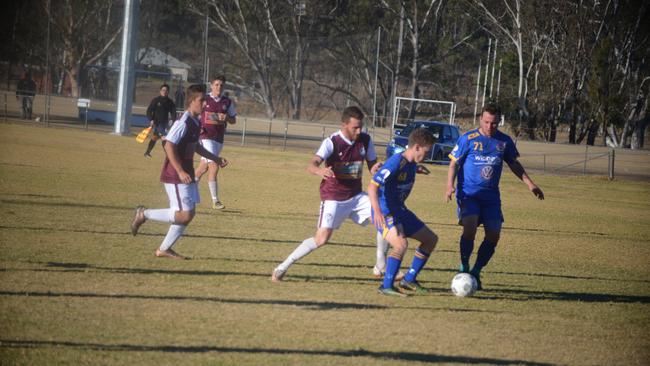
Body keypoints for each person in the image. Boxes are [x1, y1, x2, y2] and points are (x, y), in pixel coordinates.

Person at [271, 106, 391, 282]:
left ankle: (381, 267)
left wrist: (376, 168)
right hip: (333, 197)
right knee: (321, 239)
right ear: (344, 125)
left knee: (385, 220)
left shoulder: (365, 140)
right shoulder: (332, 142)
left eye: (361, 127)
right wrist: (319, 171)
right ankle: (282, 267)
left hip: (356, 196)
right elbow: (312, 164)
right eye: (354, 128)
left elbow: (372, 165)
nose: (359, 131)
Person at [445, 104, 544, 290]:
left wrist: (530, 184)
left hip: (491, 197)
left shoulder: (504, 141)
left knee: (494, 234)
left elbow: (514, 164)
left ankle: (475, 272)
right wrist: (449, 185)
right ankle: (464, 266)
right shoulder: (468, 139)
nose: (490, 126)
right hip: (469, 194)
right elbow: (453, 164)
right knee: (470, 227)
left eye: (494, 123)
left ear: (499, 122)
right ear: (480, 119)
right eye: (487, 122)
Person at [130, 84, 228, 259]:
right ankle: (143, 214)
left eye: (205, 100)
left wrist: (216, 158)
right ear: (191, 101)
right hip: (176, 174)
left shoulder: (196, 121)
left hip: (187, 172)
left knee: (188, 214)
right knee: (184, 214)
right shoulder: (183, 122)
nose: (205, 103)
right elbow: (168, 145)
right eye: (201, 100)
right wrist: (180, 171)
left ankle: (164, 249)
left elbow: (196, 146)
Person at [369, 128, 439, 297]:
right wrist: (377, 212)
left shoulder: (411, 162)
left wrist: (417, 169)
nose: (428, 155)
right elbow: (372, 186)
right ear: (416, 147)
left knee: (430, 239)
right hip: (386, 211)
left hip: (399, 209)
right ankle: (386, 286)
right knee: (401, 245)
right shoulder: (396, 162)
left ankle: (409, 279)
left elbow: (404, 170)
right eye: (426, 151)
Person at [195, 75, 237, 210]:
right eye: (216, 84)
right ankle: (215, 200)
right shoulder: (204, 99)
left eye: (221, 85)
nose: (219, 87)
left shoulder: (227, 102)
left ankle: (188, 194)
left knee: (202, 168)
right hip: (205, 136)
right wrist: (197, 127)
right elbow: (195, 113)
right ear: (211, 85)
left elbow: (233, 120)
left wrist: (227, 118)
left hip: (218, 138)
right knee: (214, 165)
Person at [144, 84, 176, 157]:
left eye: (166, 90)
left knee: (155, 138)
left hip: (165, 124)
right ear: (160, 91)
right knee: (164, 138)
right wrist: (151, 119)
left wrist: (172, 121)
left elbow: (173, 113)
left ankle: (147, 153)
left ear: (168, 92)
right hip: (157, 123)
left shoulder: (170, 102)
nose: (164, 92)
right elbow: (149, 111)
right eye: (163, 90)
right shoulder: (156, 100)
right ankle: (169, 156)